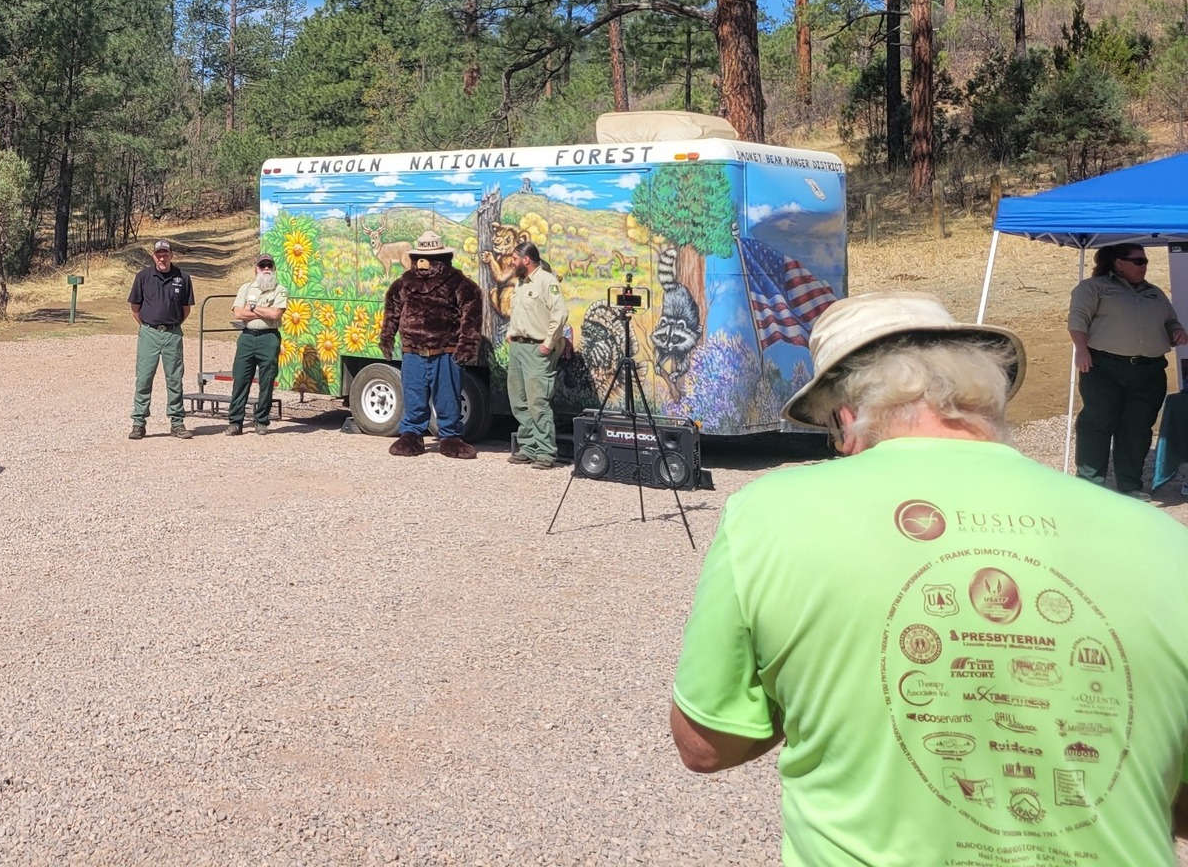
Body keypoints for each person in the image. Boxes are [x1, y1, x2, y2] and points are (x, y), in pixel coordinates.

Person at [670, 292, 1188, 864]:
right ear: (984, 395)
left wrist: (810, 683)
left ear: (846, 417)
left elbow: (707, 744)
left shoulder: (767, 513)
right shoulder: (1164, 540)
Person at [1068, 242, 1188, 498]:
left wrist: (1176, 331)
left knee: (1137, 429)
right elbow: (1078, 319)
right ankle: (1089, 485)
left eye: (1146, 262)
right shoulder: (1094, 288)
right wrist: (1081, 349)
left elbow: (1170, 321)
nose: (1144, 266)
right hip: (1104, 368)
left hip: (1149, 372)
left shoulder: (1154, 293)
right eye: (1138, 261)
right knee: (1097, 423)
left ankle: (1130, 486)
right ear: (1119, 264)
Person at [378, 231, 482, 459]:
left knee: (447, 398)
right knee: (413, 396)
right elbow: (392, 311)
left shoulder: (459, 283)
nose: (424, 263)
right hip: (413, 352)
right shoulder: (404, 283)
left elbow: (471, 315)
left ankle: (450, 436)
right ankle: (412, 435)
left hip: (445, 351)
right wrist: (387, 337)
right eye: (420, 257)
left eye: (431, 258)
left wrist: (467, 345)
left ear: (442, 258)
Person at [503, 240, 569, 469]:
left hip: (537, 349)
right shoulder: (521, 283)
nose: (512, 262)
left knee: (537, 401)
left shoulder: (547, 282)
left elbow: (560, 314)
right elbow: (519, 312)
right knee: (519, 400)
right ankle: (528, 447)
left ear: (526, 259)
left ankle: (545, 452)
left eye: (515, 259)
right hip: (518, 348)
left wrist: (548, 344)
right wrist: (511, 333)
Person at [128, 239, 194, 440]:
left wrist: (171, 324)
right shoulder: (143, 277)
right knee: (144, 378)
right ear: (154, 256)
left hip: (173, 333)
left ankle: (177, 422)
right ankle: (139, 423)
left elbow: (186, 309)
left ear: (171, 255)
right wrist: (148, 325)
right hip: (149, 333)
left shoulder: (183, 278)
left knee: (174, 379)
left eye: (165, 254)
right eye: (159, 255)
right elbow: (135, 308)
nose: (162, 258)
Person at [226, 253, 287, 436]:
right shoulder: (245, 288)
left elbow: (275, 314)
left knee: (267, 381)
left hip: (269, 338)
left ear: (274, 269)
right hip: (247, 337)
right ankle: (235, 422)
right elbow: (238, 313)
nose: (266, 269)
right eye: (262, 266)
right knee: (240, 379)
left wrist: (252, 307)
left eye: (269, 265)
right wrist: (263, 311)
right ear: (256, 269)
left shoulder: (280, 290)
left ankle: (261, 421)